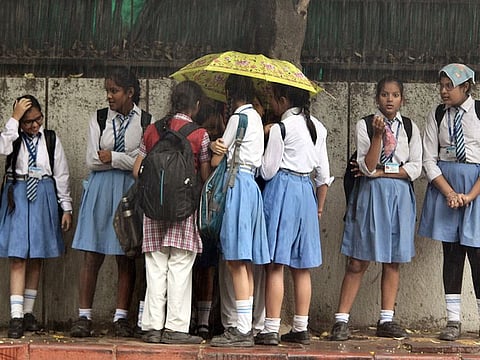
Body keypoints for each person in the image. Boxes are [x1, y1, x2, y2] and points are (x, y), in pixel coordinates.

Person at [330, 77, 422, 341]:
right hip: (371, 196)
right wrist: (379, 136)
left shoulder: (410, 127)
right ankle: (341, 320)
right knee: (358, 259)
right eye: (384, 94)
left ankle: (386, 318)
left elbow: (415, 168)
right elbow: (367, 167)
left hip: (399, 197)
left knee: (393, 260)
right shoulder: (365, 125)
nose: (389, 100)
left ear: (402, 98)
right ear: (377, 97)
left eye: (394, 95)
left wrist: (384, 172)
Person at [70, 67, 151, 338]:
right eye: (107, 90)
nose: (109, 96)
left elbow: (144, 163)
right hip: (100, 189)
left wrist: (114, 158)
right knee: (92, 253)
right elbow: (92, 160)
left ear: (130, 93)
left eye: (114, 91)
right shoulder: (99, 118)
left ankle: (121, 317)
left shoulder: (146, 121)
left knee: (125, 255)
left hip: (128, 191)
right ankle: (84, 316)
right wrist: (127, 159)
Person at [254, 83, 332, 346]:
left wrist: (265, 140)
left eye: (274, 101)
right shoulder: (318, 128)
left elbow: (267, 170)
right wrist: (319, 207)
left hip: (283, 189)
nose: (273, 106)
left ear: (283, 100)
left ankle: (271, 328)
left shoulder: (280, 128)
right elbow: (323, 176)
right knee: (301, 267)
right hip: (307, 193)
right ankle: (301, 327)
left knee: (276, 263)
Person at [133, 80, 210, 344]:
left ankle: (152, 327)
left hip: (153, 210)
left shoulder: (152, 130)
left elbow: (136, 170)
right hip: (184, 209)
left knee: (155, 267)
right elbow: (204, 175)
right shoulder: (200, 135)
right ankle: (176, 328)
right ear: (196, 106)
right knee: (180, 266)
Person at [0, 95, 73, 339]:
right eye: (28, 122)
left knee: (37, 255)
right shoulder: (13, 138)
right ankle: (16, 315)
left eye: (37, 119)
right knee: (18, 256)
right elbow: (2, 147)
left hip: (43, 193)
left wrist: (66, 207)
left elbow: (61, 174)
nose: (34, 126)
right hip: (18, 194)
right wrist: (13, 119)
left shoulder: (50, 139)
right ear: (20, 122)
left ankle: (29, 312)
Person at [418, 63, 480, 341]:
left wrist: (469, 195)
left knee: (477, 256)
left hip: (475, 190)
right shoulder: (437, 114)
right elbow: (429, 159)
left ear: (465, 86)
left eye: (449, 86)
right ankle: (453, 320)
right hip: (446, 188)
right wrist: (449, 192)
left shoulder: (479, 112)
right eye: (441, 86)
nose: (443, 92)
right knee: (452, 255)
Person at [209, 74, 270, 347]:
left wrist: (214, 146)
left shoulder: (237, 118)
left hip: (235, 186)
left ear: (232, 95)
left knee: (234, 260)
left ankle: (240, 328)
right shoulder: (256, 118)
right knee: (245, 260)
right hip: (251, 186)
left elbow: (216, 160)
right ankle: (246, 325)